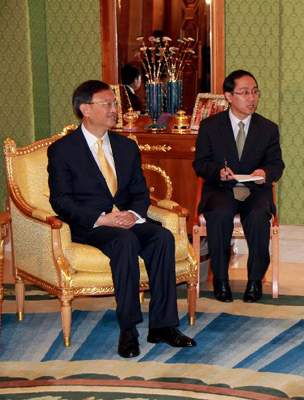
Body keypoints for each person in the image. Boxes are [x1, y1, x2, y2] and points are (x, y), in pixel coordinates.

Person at [47, 80, 196, 358]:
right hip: (91, 225)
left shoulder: (126, 146)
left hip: (127, 220)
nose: (115, 109)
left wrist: (133, 214)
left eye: (115, 104)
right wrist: (102, 219)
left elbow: (140, 193)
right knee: (125, 242)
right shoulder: (63, 150)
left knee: (162, 237)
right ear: (85, 109)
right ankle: (129, 328)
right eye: (108, 104)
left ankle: (163, 326)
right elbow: (61, 200)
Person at [193, 70, 285, 303]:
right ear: (229, 96)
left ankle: (255, 282)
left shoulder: (268, 128)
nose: (251, 98)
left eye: (255, 92)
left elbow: (276, 163)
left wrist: (264, 173)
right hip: (221, 189)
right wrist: (219, 172)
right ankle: (220, 281)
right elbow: (200, 164)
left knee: (257, 215)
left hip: (255, 191)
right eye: (244, 93)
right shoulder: (210, 126)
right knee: (220, 213)